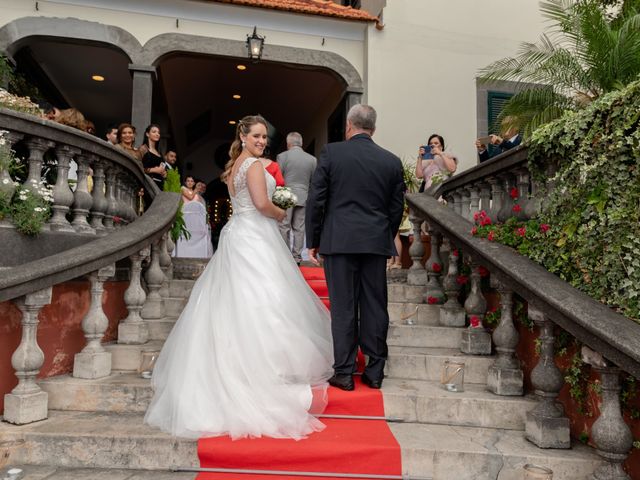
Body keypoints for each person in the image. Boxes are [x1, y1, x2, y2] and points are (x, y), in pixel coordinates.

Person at [145, 115, 333, 439]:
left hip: (239, 234)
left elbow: (245, 203)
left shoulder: (234, 168)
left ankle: (235, 367)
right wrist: (281, 211)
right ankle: (261, 370)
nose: (262, 141)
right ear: (243, 136)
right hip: (255, 235)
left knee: (238, 300)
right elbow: (261, 204)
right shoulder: (256, 166)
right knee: (262, 299)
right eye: (257, 136)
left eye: (264, 138)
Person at [306, 104, 405, 391]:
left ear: (349, 126)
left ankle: (345, 372)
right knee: (375, 303)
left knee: (343, 305)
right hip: (375, 241)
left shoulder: (332, 153)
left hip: (339, 241)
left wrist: (314, 240)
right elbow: (396, 207)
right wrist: (384, 234)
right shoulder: (391, 161)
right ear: (373, 128)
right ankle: (375, 371)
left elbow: (317, 200)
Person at [277, 132, 317, 265]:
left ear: (288, 144)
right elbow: (314, 181)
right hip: (304, 195)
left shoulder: (282, 156)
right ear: (301, 143)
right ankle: (297, 258)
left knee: (284, 226)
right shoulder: (312, 159)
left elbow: (279, 178)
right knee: (299, 228)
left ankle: (284, 255)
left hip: (286, 193)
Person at [140, 124, 166, 189]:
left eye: (158, 133)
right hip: (148, 186)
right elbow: (137, 167)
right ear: (147, 134)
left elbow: (162, 170)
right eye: (154, 132)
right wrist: (153, 170)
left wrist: (164, 173)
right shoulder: (143, 149)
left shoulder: (159, 152)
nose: (157, 134)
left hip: (160, 185)